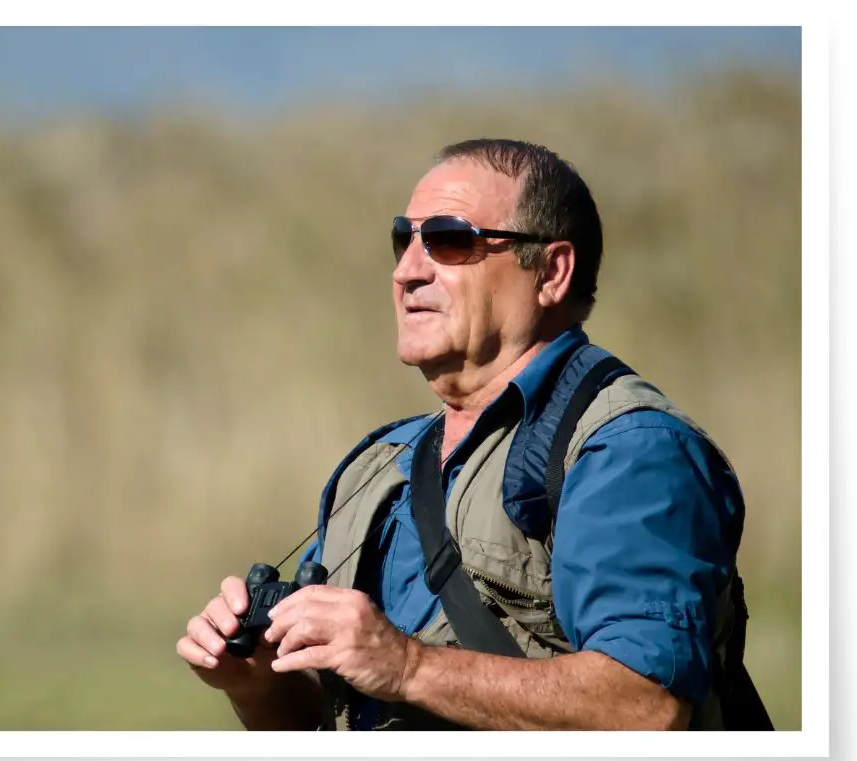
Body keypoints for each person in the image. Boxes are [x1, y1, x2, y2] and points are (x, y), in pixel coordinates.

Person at [176, 138, 765, 731]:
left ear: (553, 271)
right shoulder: (378, 467)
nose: (407, 271)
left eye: (449, 240)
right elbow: (323, 726)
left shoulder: (625, 451)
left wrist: (407, 667)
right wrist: (254, 684)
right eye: (402, 240)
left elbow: (645, 706)